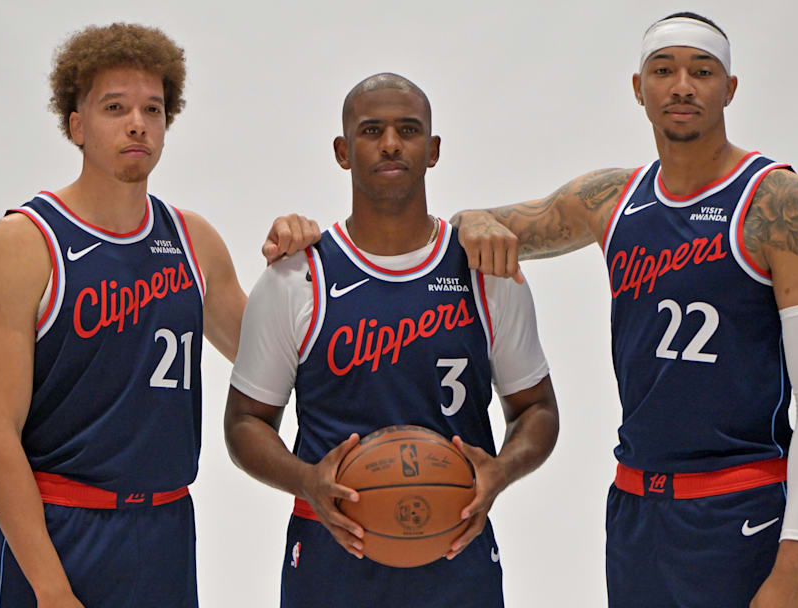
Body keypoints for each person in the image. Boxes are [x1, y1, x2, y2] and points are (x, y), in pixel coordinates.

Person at [453, 12, 798, 608]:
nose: (682, 86)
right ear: (639, 88)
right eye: (663, 71)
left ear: (730, 88)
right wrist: (473, 218)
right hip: (637, 507)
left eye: (702, 71)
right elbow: (483, 227)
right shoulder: (612, 199)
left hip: (742, 508)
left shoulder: (780, 202)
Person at [0, 23, 318, 607]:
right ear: (76, 125)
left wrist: (299, 263)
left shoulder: (191, 240)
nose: (137, 122)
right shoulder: (26, 241)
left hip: (166, 529)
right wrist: (50, 588)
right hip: (61, 528)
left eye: (152, 109)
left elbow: (276, 356)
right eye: (115, 107)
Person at [225, 73, 559, 608]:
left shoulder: (485, 271)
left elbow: (537, 407)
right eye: (371, 130)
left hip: (457, 554)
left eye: (408, 129)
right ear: (341, 150)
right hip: (330, 559)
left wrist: (502, 469)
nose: (390, 144)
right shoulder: (297, 277)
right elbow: (244, 422)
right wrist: (307, 479)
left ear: (433, 150)